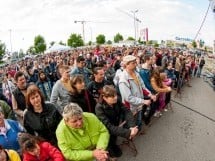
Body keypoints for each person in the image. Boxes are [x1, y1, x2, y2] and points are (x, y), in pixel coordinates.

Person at [95, 85, 138, 158]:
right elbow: (108, 127)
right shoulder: (99, 108)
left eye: (115, 95)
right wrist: (128, 132)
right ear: (105, 97)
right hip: (106, 131)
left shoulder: (116, 100)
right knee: (112, 145)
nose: (115, 97)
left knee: (114, 140)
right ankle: (112, 154)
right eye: (112, 96)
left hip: (115, 125)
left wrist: (132, 127)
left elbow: (126, 111)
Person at [118, 55, 156, 130]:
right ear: (127, 65)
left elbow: (142, 87)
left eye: (135, 62)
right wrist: (143, 101)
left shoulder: (136, 73)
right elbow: (128, 98)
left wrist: (150, 94)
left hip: (138, 104)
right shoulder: (123, 79)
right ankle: (129, 137)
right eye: (133, 63)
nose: (136, 64)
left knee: (138, 120)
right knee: (130, 125)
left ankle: (138, 130)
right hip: (130, 107)